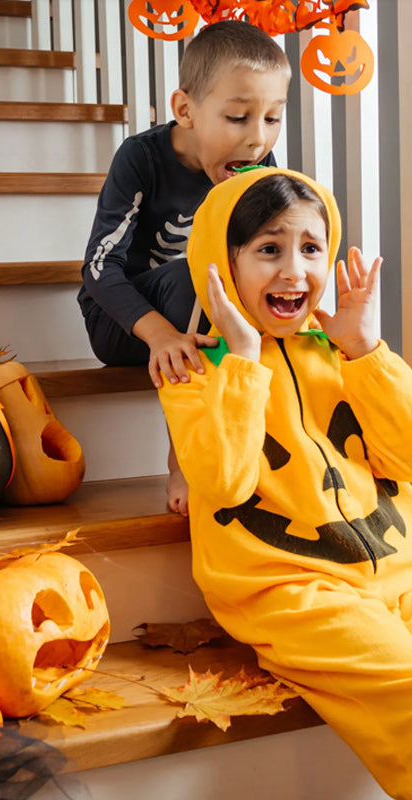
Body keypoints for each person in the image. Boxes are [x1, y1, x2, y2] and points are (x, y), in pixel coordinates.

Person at [159, 165, 412, 799]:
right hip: (292, 589)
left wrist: (365, 351)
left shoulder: (341, 351)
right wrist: (241, 359)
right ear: (223, 262)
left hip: (397, 567)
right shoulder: (194, 374)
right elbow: (224, 483)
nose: (294, 271)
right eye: (268, 249)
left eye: (310, 248)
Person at [77, 20, 291, 516]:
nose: (258, 140)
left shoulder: (259, 166)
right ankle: (185, 453)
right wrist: (158, 335)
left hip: (198, 315)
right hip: (122, 322)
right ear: (185, 110)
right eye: (238, 117)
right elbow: (98, 267)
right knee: (194, 277)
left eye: (273, 118)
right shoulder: (141, 158)